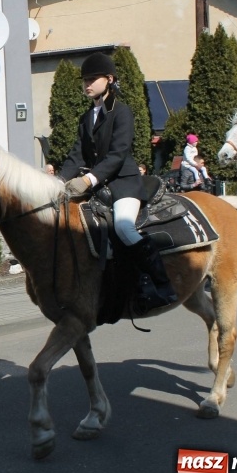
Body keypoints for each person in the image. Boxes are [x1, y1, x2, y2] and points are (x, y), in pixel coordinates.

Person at [59, 52, 177, 314]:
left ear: (109, 79)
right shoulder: (85, 117)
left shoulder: (122, 112)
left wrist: (88, 179)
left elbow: (117, 154)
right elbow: (75, 155)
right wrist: (58, 181)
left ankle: (161, 284)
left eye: (92, 79)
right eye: (84, 80)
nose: (87, 84)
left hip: (124, 183)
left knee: (124, 228)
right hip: (99, 187)